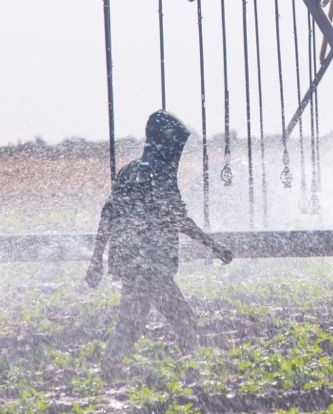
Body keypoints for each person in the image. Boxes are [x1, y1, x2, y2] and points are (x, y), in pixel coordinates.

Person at [86, 110, 233, 370]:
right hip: (151, 266)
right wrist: (214, 246)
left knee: (130, 324)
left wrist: (96, 259)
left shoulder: (127, 171)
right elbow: (179, 219)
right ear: (167, 142)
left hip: (129, 264)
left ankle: (109, 367)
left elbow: (108, 214)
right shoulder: (161, 172)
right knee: (183, 319)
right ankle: (192, 374)